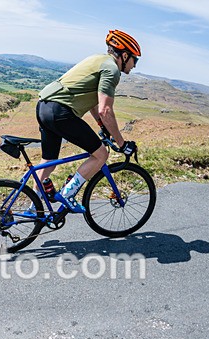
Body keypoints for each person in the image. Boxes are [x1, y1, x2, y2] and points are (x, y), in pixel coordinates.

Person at [35, 29, 140, 213]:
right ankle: (68, 193)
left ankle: (33, 208)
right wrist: (122, 143)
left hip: (44, 106)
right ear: (124, 55)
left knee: (48, 160)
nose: (134, 65)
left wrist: (102, 126)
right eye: (135, 60)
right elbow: (105, 110)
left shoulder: (97, 59)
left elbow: (93, 103)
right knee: (101, 155)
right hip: (61, 111)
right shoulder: (112, 70)